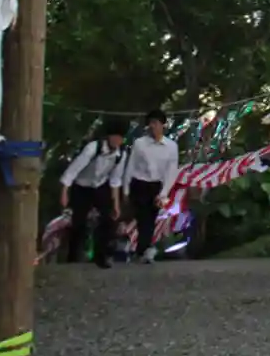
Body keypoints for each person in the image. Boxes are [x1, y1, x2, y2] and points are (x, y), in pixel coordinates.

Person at [60, 120, 126, 269]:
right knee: (79, 222)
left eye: (120, 138)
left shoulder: (120, 154)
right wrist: (64, 192)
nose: (117, 141)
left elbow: (115, 180)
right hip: (82, 186)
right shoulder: (93, 149)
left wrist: (116, 204)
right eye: (115, 137)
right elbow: (73, 171)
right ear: (108, 137)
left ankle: (101, 255)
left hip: (100, 186)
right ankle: (73, 256)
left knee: (108, 220)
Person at [120, 109, 180, 264]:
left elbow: (171, 171)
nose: (153, 126)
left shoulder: (171, 146)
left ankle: (142, 250)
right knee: (143, 217)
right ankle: (143, 249)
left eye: (156, 123)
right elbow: (131, 166)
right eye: (151, 123)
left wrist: (164, 193)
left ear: (163, 125)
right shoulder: (140, 143)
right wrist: (126, 189)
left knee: (150, 218)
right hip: (139, 184)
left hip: (156, 186)